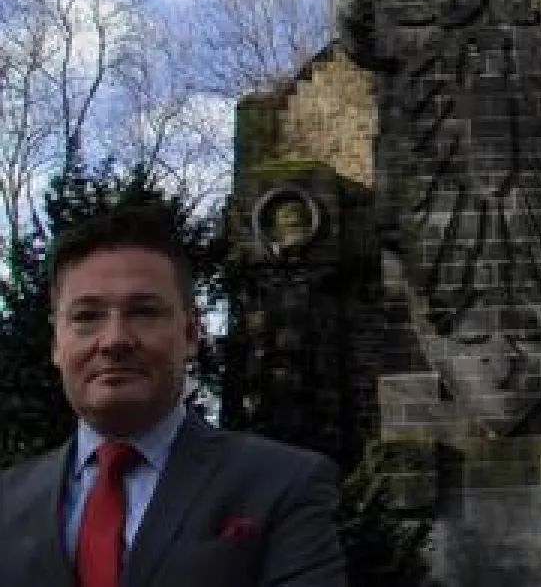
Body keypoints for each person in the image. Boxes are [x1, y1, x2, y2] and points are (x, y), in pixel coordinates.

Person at [0, 205, 348, 587]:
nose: (115, 340)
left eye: (144, 312)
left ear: (190, 333)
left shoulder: (283, 485)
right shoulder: (7, 503)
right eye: (86, 317)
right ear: (56, 343)